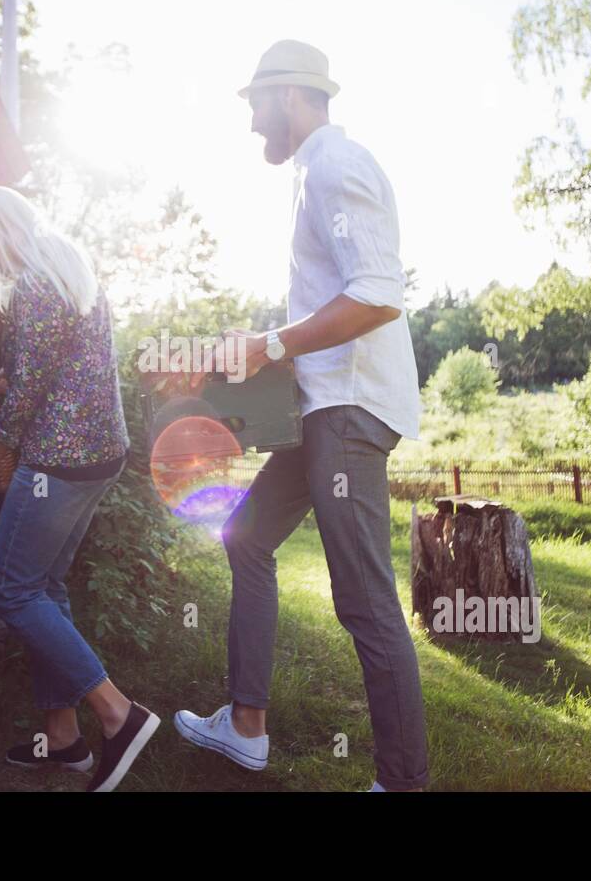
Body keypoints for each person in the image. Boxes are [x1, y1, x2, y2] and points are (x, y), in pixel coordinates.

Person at [175, 40, 430, 792]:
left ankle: (403, 782)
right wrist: (263, 360)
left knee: (364, 600)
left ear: (290, 95)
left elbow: (379, 293)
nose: (253, 122)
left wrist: (272, 343)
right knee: (246, 536)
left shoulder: (334, 166)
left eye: (256, 104)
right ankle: (247, 728)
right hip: (323, 409)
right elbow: (337, 304)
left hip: (347, 418)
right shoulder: (311, 175)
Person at [0, 185, 159, 793]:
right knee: (44, 586)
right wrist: (8, 370)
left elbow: (36, 381)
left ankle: (119, 715)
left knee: (12, 592)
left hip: (56, 462)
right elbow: (53, 354)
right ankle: (63, 742)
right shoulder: (61, 263)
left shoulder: (33, 279)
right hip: (98, 455)